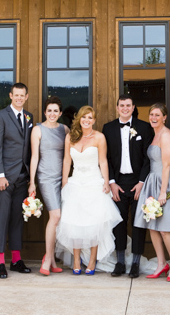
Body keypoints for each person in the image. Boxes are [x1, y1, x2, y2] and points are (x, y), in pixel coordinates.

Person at [56, 106, 122, 275]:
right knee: (75, 222)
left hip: (94, 183)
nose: (87, 120)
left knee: (95, 223)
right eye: (84, 117)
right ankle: (76, 260)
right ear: (79, 118)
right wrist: (64, 181)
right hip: (76, 182)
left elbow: (103, 162)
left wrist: (106, 182)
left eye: (90, 118)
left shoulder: (99, 137)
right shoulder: (70, 137)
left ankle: (93, 260)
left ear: (94, 120)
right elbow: (66, 161)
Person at [102, 94, 153, 278]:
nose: (125, 108)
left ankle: (136, 262)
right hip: (118, 182)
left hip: (139, 182)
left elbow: (148, 158)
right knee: (119, 223)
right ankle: (120, 261)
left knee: (139, 223)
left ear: (133, 108)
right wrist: (112, 182)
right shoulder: (108, 128)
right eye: (121, 105)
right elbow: (106, 158)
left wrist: (142, 182)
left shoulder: (144, 128)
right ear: (117, 108)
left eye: (128, 105)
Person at [133, 103, 170, 282]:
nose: (153, 118)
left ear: (164, 117)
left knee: (165, 228)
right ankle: (161, 263)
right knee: (152, 226)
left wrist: (163, 192)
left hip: (164, 183)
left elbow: (167, 165)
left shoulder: (167, 136)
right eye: (151, 114)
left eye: (157, 115)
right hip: (151, 182)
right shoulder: (155, 135)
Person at [0, 83, 34, 278]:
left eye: (22, 95)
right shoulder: (0, 116)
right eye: (15, 95)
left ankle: (16, 259)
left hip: (22, 177)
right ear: (11, 95)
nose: (18, 98)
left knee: (18, 219)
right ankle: (0, 262)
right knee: (2, 219)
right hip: (5, 178)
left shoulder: (29, 117)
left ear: (26, 97)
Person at [28, 96, 69, 276]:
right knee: (56, 215)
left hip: (63, 178)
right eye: (49, 110)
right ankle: (47, 259)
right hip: (46, 177)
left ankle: (51, 259)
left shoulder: (65, 129)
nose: (52, 114)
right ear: (45, 112)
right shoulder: (38, 130)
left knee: (60, 218)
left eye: (56, 111)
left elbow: (69, 156)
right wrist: (32, 182)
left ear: (60, 113)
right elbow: (34, 157)